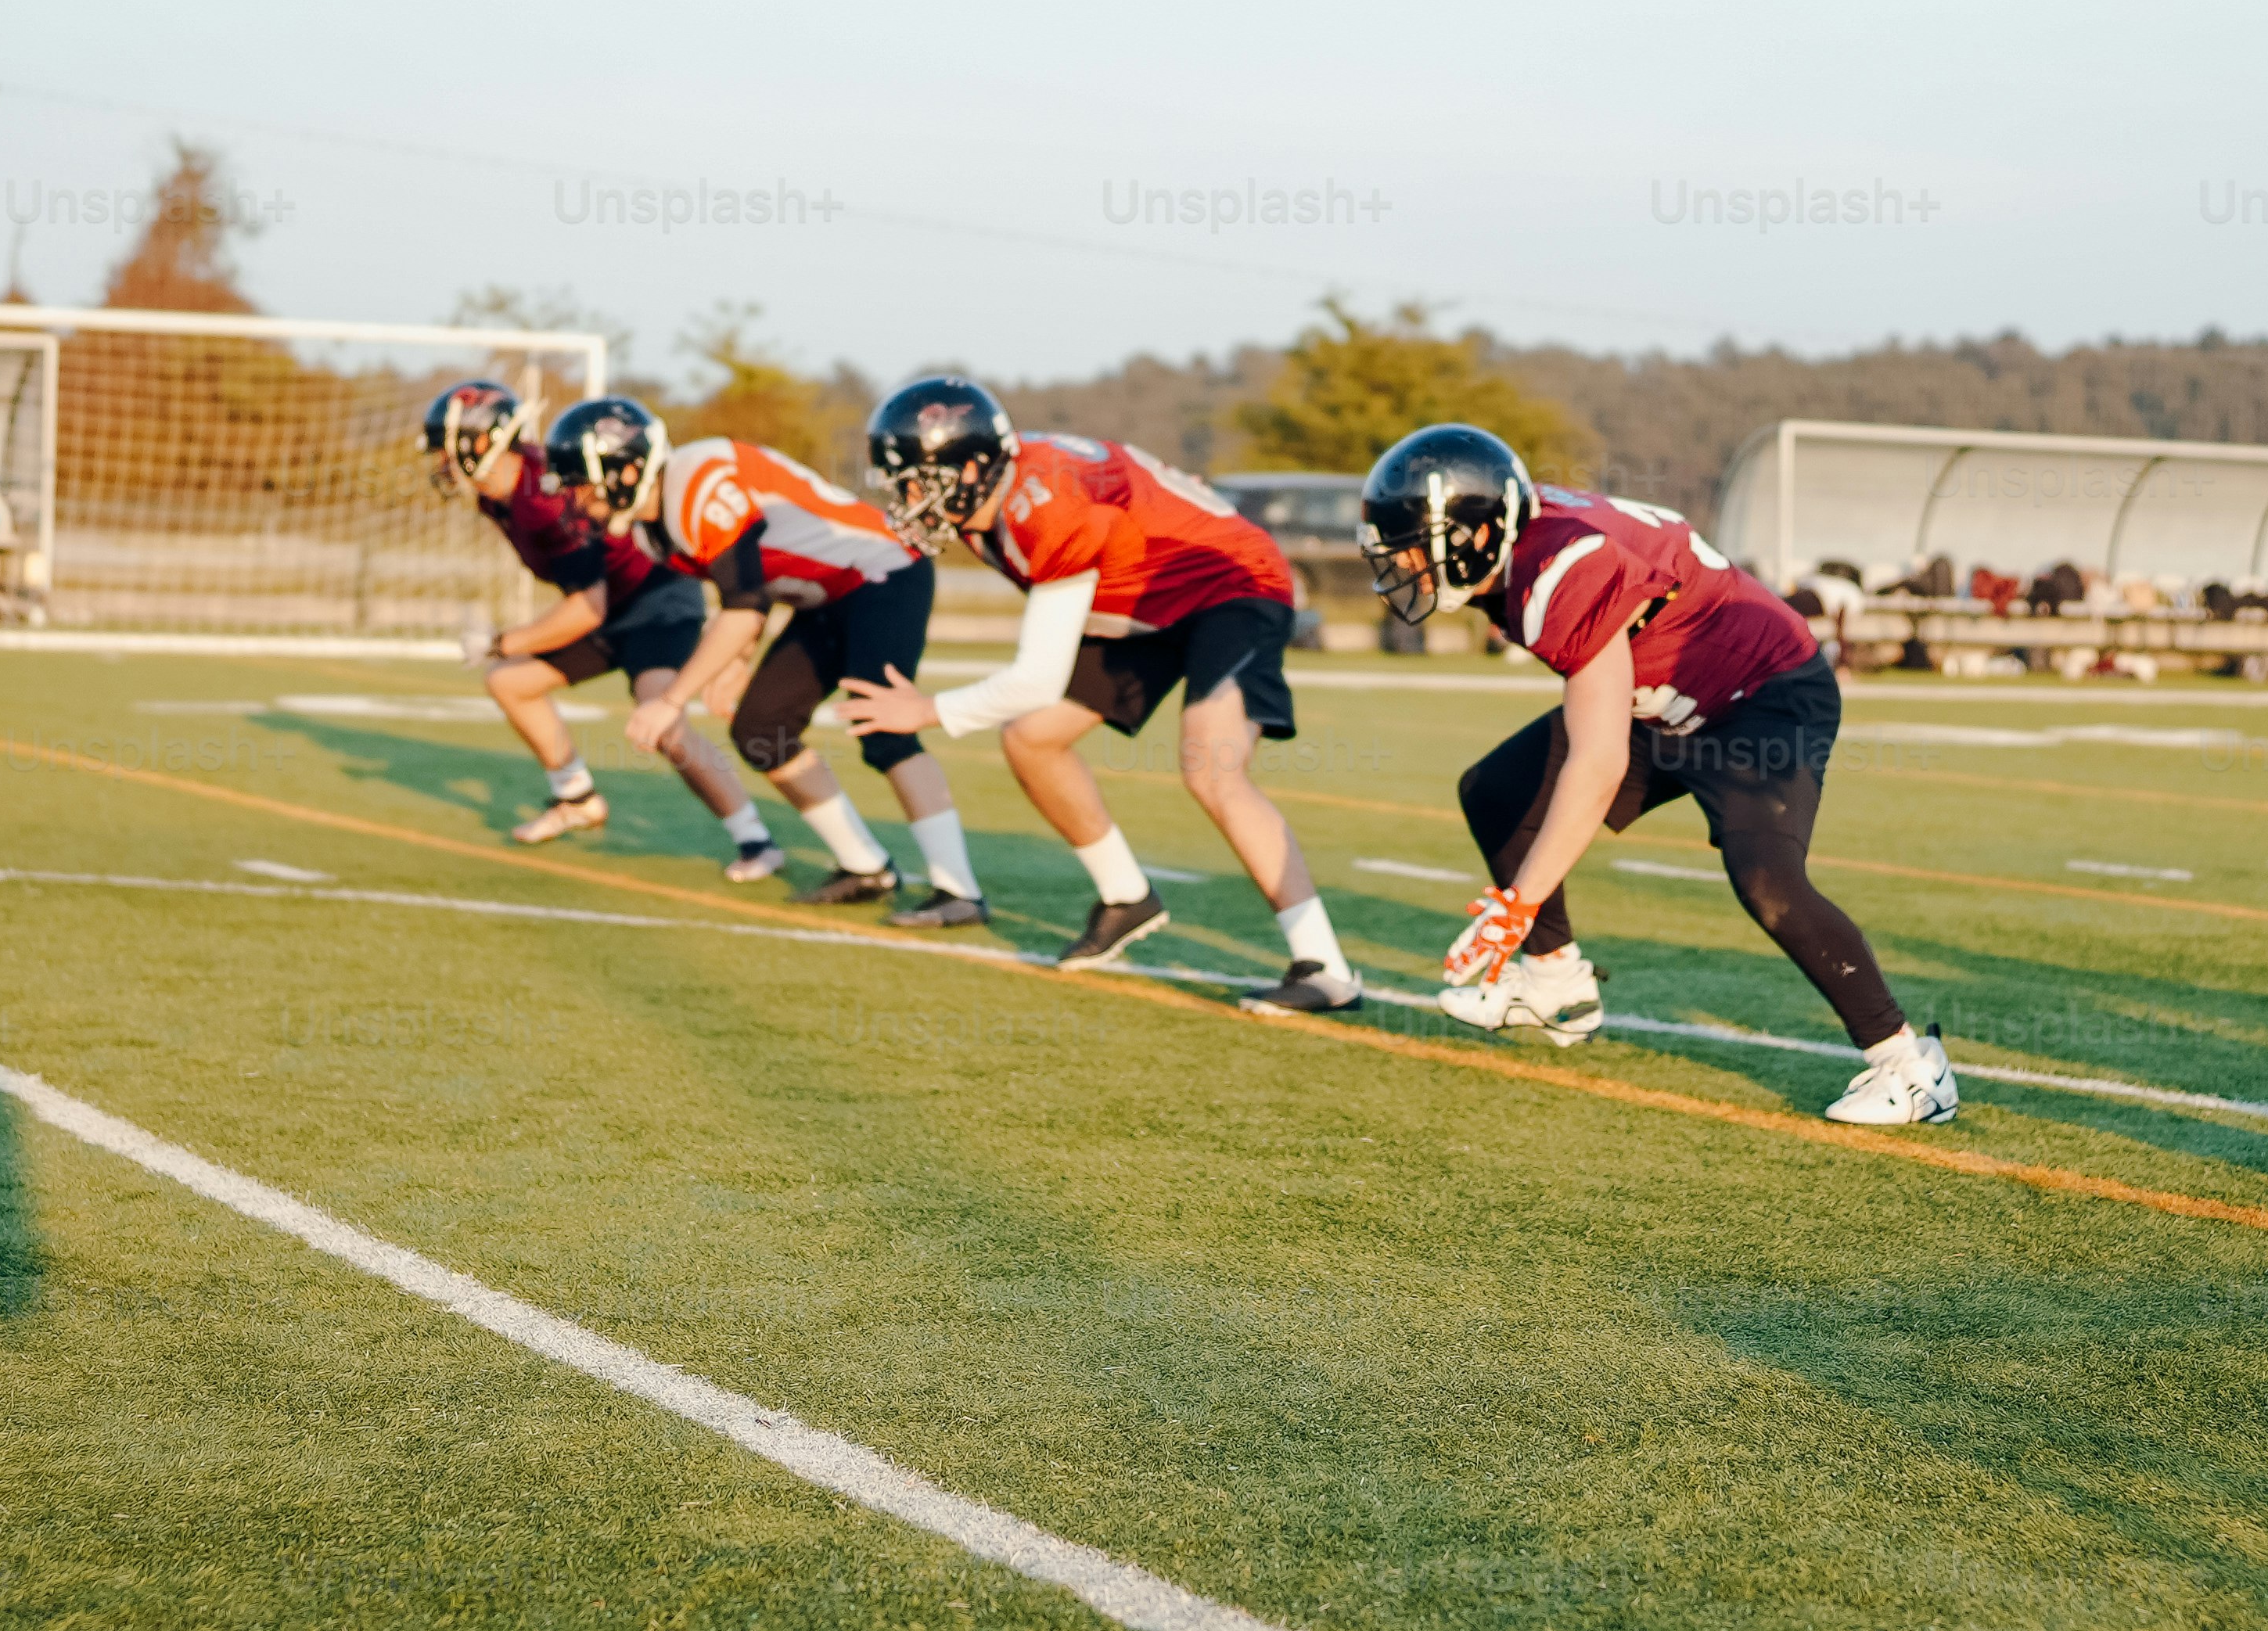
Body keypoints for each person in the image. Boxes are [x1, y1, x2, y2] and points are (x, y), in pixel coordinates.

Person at [1363, 425, 1953, 1126]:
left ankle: (1911, 1069)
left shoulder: (1559, 569)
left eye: (1416, 555)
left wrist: (1519, 902)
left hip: (1761, 696)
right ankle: (1556, 986)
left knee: (1768, 879)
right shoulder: (1518, 531)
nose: (1402, 572)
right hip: (1662, 692)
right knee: (1496, 789)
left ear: (1478, 539)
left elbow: (1599, 762)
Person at [830, 378, 1360, 1009]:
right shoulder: (995, 493)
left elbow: (1036, 677)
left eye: (915, 479)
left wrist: (927, 710)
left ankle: (1325, 967)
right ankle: (1126, 898)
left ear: (970, 467)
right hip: (1140, 601)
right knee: (1032, 738)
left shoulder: (1042, 502)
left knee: (1212, 766)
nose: (906, 496)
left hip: (1230, 584)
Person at [548, 395, 987, 926]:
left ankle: (958, 889)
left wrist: (670, 700)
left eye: (579, 482)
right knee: (762, 728)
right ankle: (865, 866)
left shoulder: (699, 485)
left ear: (623, 470)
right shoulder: (651, 528)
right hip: (825, 594)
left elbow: (745, 607)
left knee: (883, 726)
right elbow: (751, 582)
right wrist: (738, 656)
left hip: (884, 571)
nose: (572, 497)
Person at [414, 379, 771, 866]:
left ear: (478, 443)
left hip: (655, 599)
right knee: (511, 682)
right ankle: (577, 800)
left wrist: (500, 642)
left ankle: (755, 839)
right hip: (614, 605)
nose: (441, 463)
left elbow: (586, 609)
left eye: (445, 451)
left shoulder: (541, 500)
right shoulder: (499, 494)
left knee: (662, 717)